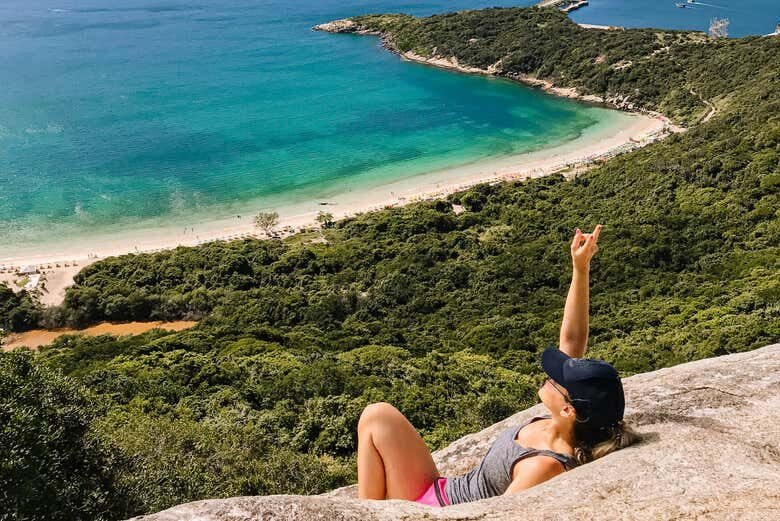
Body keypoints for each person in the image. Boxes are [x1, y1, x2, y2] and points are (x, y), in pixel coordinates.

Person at [356, 224, 640, 506]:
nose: (549, 376)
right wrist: (581, 268)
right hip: (441, 489)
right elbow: (573, 339)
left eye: (557, 379)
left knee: (376, 416)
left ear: (570, 410)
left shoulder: (544, 466)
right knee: (378, 416)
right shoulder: (566, 425)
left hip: (434, 508)